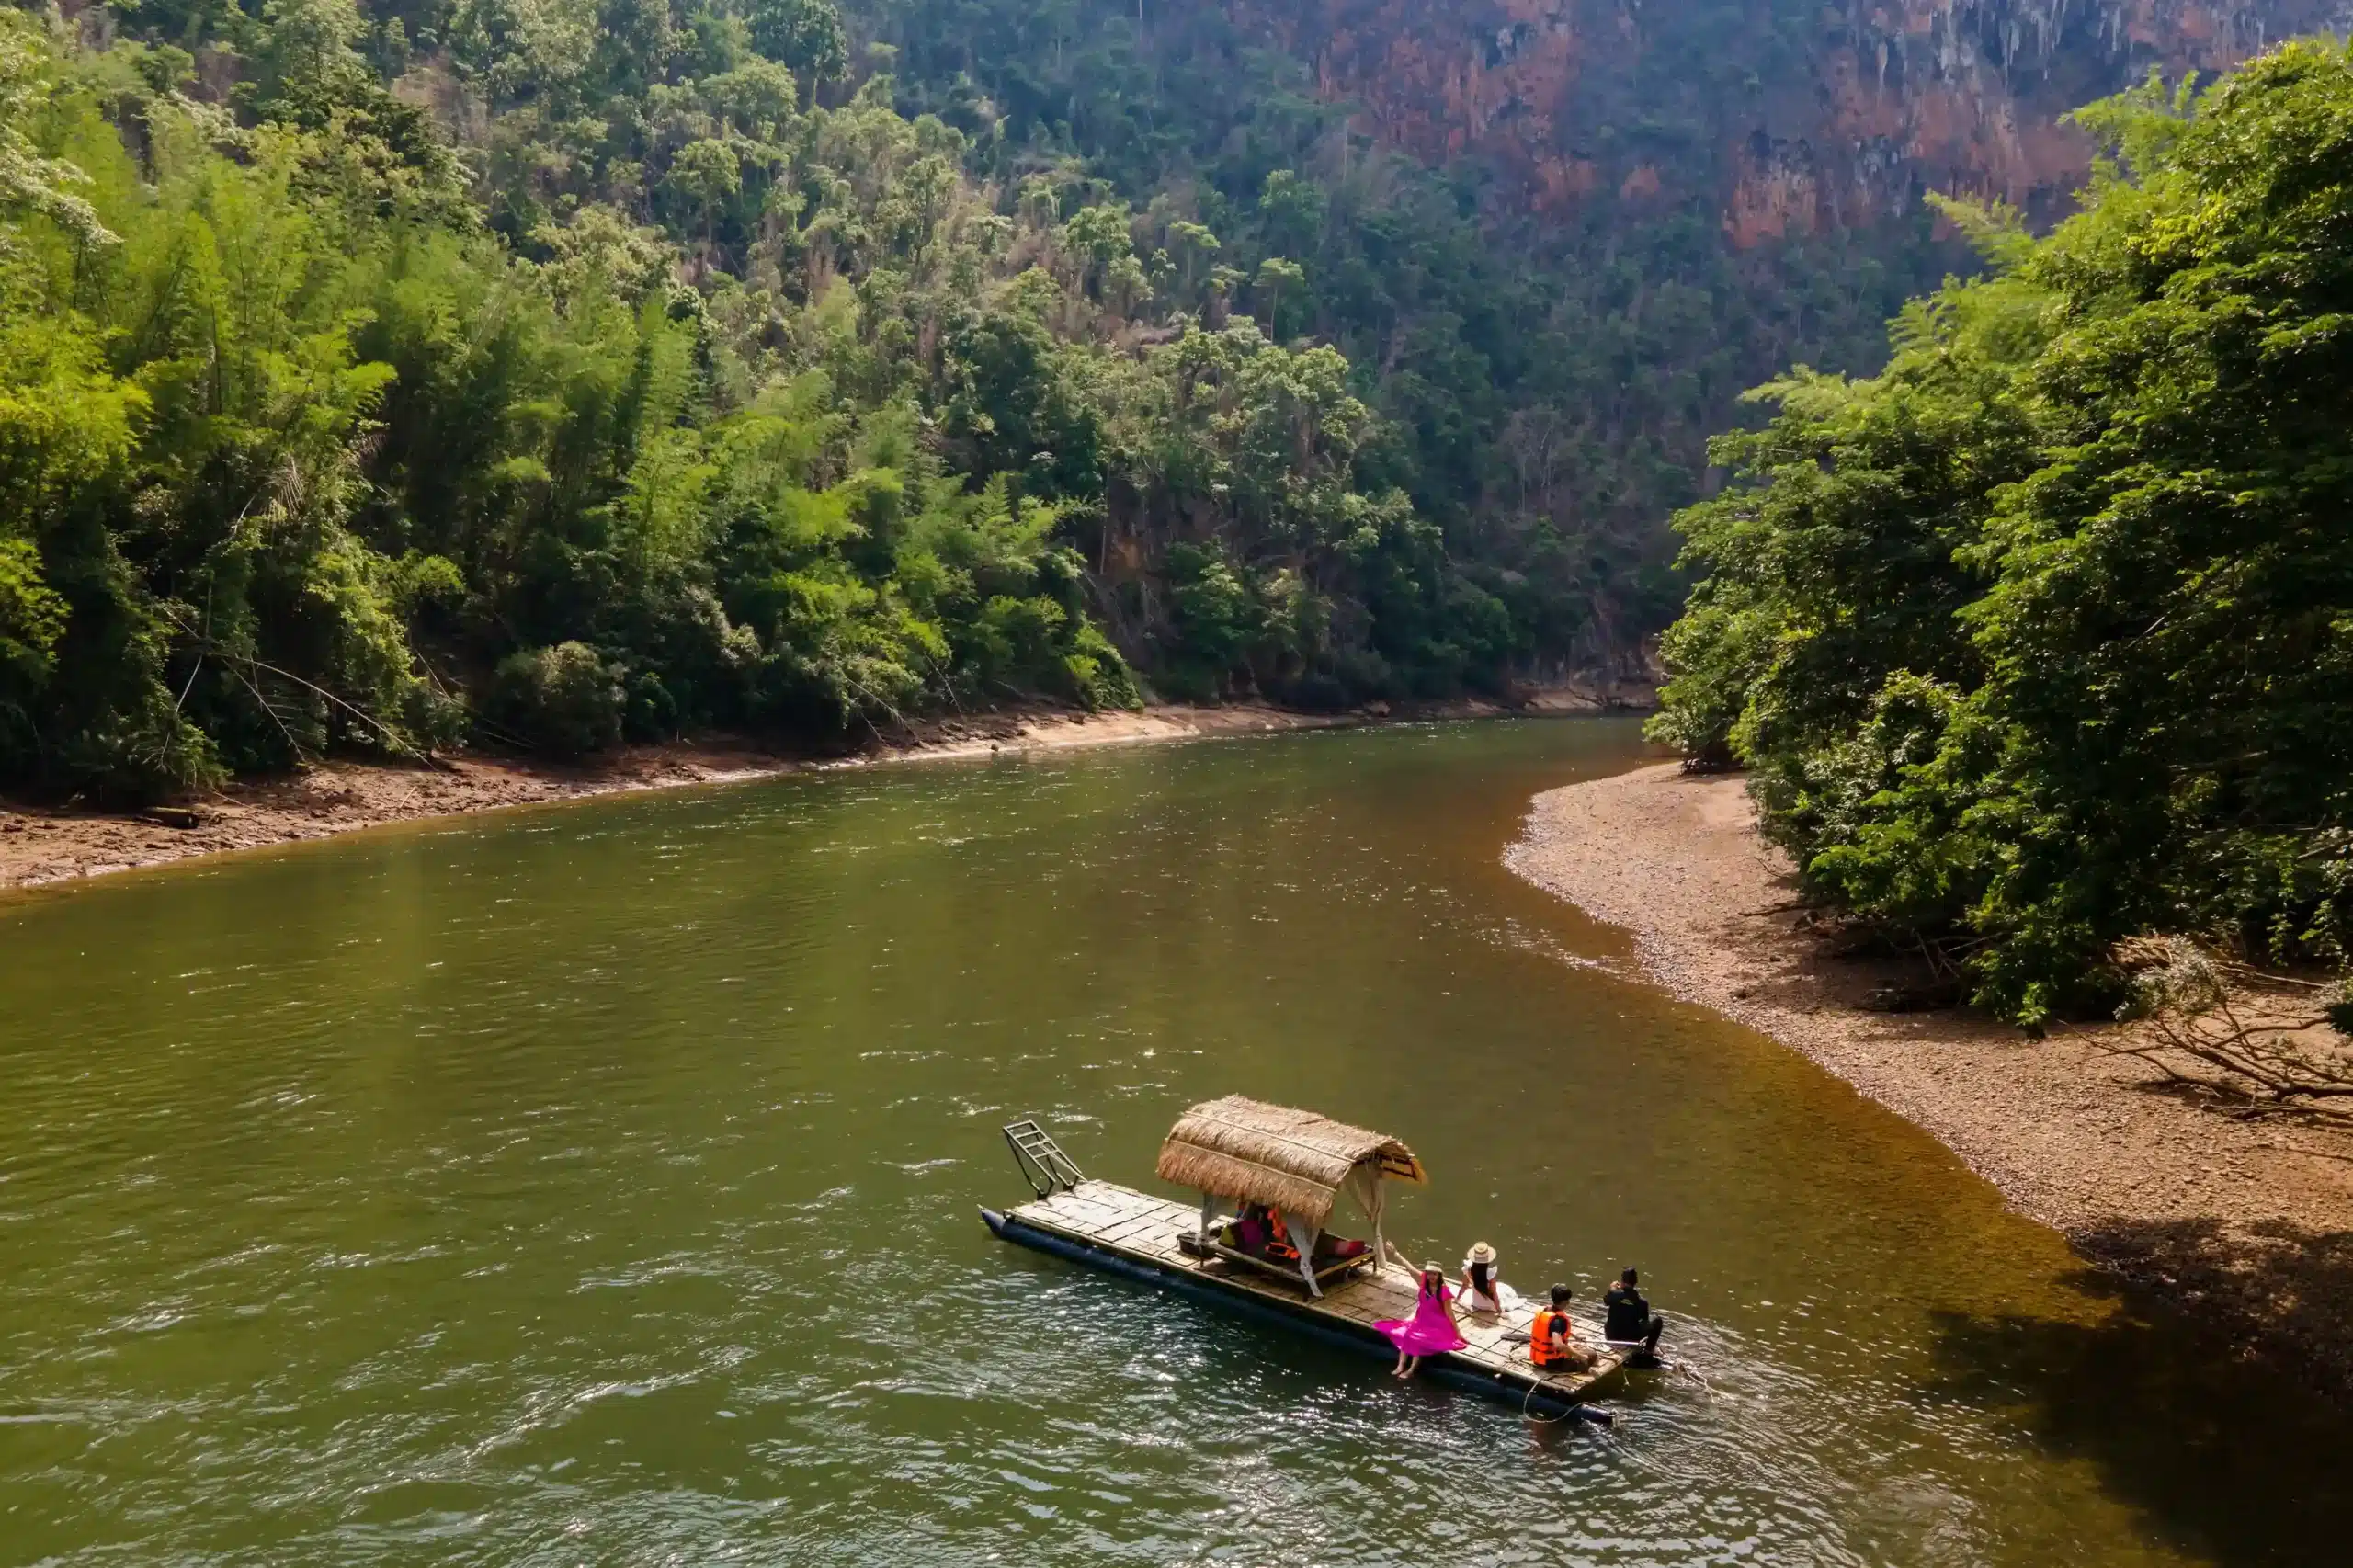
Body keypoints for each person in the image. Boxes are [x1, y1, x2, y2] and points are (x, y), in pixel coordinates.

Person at [1375, 1261, 1466, 1379]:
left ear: (1439, 1275)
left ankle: (1411, 1369)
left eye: (1434, 1274)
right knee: (1407, 1335)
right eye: (1429, 1274)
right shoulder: (1423, 1283)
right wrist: (1396, 1255)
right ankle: (1400, 1365)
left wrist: (1457, 1332)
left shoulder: (1444, 1291)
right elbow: (1410, 1268)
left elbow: (1449, 1313)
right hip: (1421, 1319)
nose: (1431, 1277)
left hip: (1437, 1323)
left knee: (1418, 1340)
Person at [1603, 1267, 1665, 1364]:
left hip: (1611, 1335)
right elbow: (1645, 1323)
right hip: (1630, 1338)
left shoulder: (1613, 1294)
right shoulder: (1642, 1303)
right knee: (1657, 1320)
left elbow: (1606, 1301)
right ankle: (1649, 1350)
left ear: (1622, 1281)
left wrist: (1612, 1288)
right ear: (1635, 1282)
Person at [1529, 1283, 1594, 1373]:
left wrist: (1574, 1335)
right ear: (1564, 1302)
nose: (1569, 1302)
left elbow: (1550, 1331)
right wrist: (1580, 1357)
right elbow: (1558, 1345)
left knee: (1579, 1351)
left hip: (1538, 1359)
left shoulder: (1545, 1310)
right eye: (1568, 1300)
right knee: (1592, 1355)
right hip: (1552, 1363)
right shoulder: (1557, 1321)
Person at [1459, 1243, 1506, 1314]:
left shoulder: (1467, 1269)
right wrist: (1498, 1310)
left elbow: (1464, 1286)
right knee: (1504, 1289)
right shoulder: (1490, 1274)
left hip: (1476, 1303)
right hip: (1490, 1306)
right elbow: (1493, 1293)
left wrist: (1458, 1298)